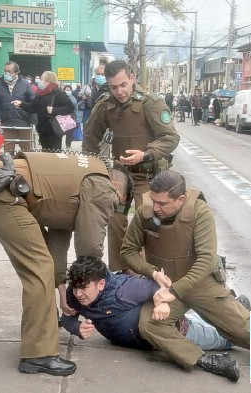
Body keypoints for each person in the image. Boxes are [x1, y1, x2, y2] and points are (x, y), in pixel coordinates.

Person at [0, 150, 127, 376]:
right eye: (115, 206)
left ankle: (43, 334)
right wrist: (94, 292)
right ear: (119, 191)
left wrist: (63, 293)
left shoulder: (77, 184)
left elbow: (56, 246)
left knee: (42, 265)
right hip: (1, 192)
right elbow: (89, 250)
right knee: (38, 269)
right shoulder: (103, 187)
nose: (110, 211)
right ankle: (37, 355)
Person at [121, 170, 249, 382]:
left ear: (180, 200)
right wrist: (151, 272)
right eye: (153, 201)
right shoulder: (146, 213)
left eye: (162, 203)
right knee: (149, 325)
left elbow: (206, 260)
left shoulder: (200, 212)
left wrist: (175, 290)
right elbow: (127, 251)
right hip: (164, 284)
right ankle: (202, 359)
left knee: (244, 331)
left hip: (200, 283)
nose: (155, 208)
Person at [83, 59, 180, 273]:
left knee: (147, 220)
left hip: (148, 176)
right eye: (113, 87)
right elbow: (90, 138)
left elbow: (170, 138)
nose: (119, 91)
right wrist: (92, 169)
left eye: (123, 85)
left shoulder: (150, 103)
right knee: (115, 221)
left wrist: (146, 154)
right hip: (120, 177)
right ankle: (121, 272)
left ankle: (149, 272)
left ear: (132, 79)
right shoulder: (105, 105)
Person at [61, 256, 237, 352]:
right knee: (206, 318)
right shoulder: (75, 293)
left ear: (100, 284)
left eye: (83, 288)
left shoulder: (126, 289)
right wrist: (76, 327)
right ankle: (237, 305)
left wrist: (162, 301)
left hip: (173, 331)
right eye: (75, 288)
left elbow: (164, 284)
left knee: (227, 338)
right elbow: (67, 317)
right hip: (135, 341)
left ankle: (244, 316)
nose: (78, 294)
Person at [13, 71, 74, 151]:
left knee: (54, 153)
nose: (40, 81)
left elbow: (70, 107)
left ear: (48, 81)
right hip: (42, 128)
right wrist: (21, 104)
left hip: (53, 129)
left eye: (42, 79)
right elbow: (33, 108)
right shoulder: (40, 94)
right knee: (45, 152)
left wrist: (54, 110)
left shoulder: (57, 92)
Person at [0, 61, 36, 151]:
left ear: (16, 73)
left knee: (26, 150)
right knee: (8, 151)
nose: (6, 73)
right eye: (5, 71)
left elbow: (33, 103)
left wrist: (34, 120)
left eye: (9, 71)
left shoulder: (25, 84)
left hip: (24, 122)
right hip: (7, 121)